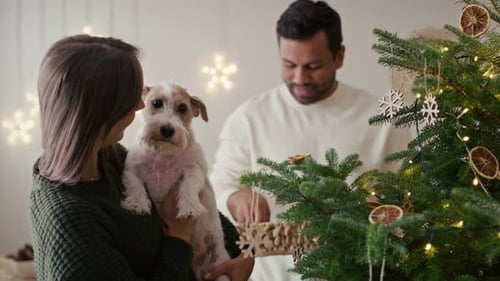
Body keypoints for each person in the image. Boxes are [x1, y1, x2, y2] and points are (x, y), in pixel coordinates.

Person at [209, 0, 412, 280]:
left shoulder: (382, 120)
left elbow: (410, 197)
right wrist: (234, 198)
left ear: (339, 56)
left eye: (313, 66)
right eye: (289, 64)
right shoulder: (249, 118)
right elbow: (216, 187)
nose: (300, 78)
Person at [29, 34, 253, 281]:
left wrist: (244, 255)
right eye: (131, 95)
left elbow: (201, 206)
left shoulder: (110, 160)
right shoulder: (71, 219)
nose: (139, 104)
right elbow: (182, 226)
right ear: (101, 108)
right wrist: (179, 236)